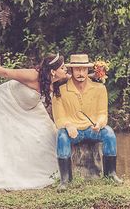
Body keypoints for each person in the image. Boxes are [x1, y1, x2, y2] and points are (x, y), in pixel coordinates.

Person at [0, 54, 69, 190]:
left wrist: (95, 75)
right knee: (3, 137)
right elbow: (5, 72)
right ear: (53, 70)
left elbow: (77, 78)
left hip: (31, 106)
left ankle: (54, 172)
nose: (66, 70)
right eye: (63, 67)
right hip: (7, 101)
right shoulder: (33, 75)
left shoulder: (57, 78)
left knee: (47, 132)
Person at [52, 53, 122, 191]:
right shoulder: (60, 91)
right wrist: (68, 125)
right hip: (73, 131)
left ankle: (111, 174)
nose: (81, 73)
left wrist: (100, 123)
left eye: (84, 69)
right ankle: (65, 179)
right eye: (77, 69)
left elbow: (103, 113)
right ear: (71, 71)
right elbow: (58, 118)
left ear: (88, 70)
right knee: (61, 136)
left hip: (92, 129)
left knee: (109, 133)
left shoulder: (99, 88)